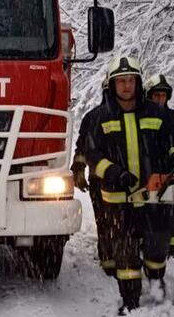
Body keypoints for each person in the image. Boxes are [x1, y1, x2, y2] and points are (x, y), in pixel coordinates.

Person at [84, 56, 174, 314]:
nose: (126, 86)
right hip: (119, 202)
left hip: (154, 198)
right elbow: (92, 155)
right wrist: (114, 173)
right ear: (112, 85)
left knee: (157, 246)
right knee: (126, 255)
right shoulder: (99, 117)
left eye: (131, 80)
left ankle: (157, 284)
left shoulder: (158, 114)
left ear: (139, 82)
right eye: (121, 81)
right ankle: (130, 304)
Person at [145, 74, 174, 260]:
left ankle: (172, 251)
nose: (160, 99)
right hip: (149, 174)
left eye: (163, 95)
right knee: (147, 214)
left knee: (170, 214)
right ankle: (150, 248)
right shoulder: (142, 117)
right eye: (156, 95)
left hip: (171, 173)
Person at [71, 77, 110, 261]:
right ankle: (109, 257)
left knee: (111, 222)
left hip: (125, 180)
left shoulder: (138, 117)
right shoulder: (93, 117)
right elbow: (82, 147)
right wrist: (78, 169)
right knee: (105, 222)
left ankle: (114, 257)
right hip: (100, 180)